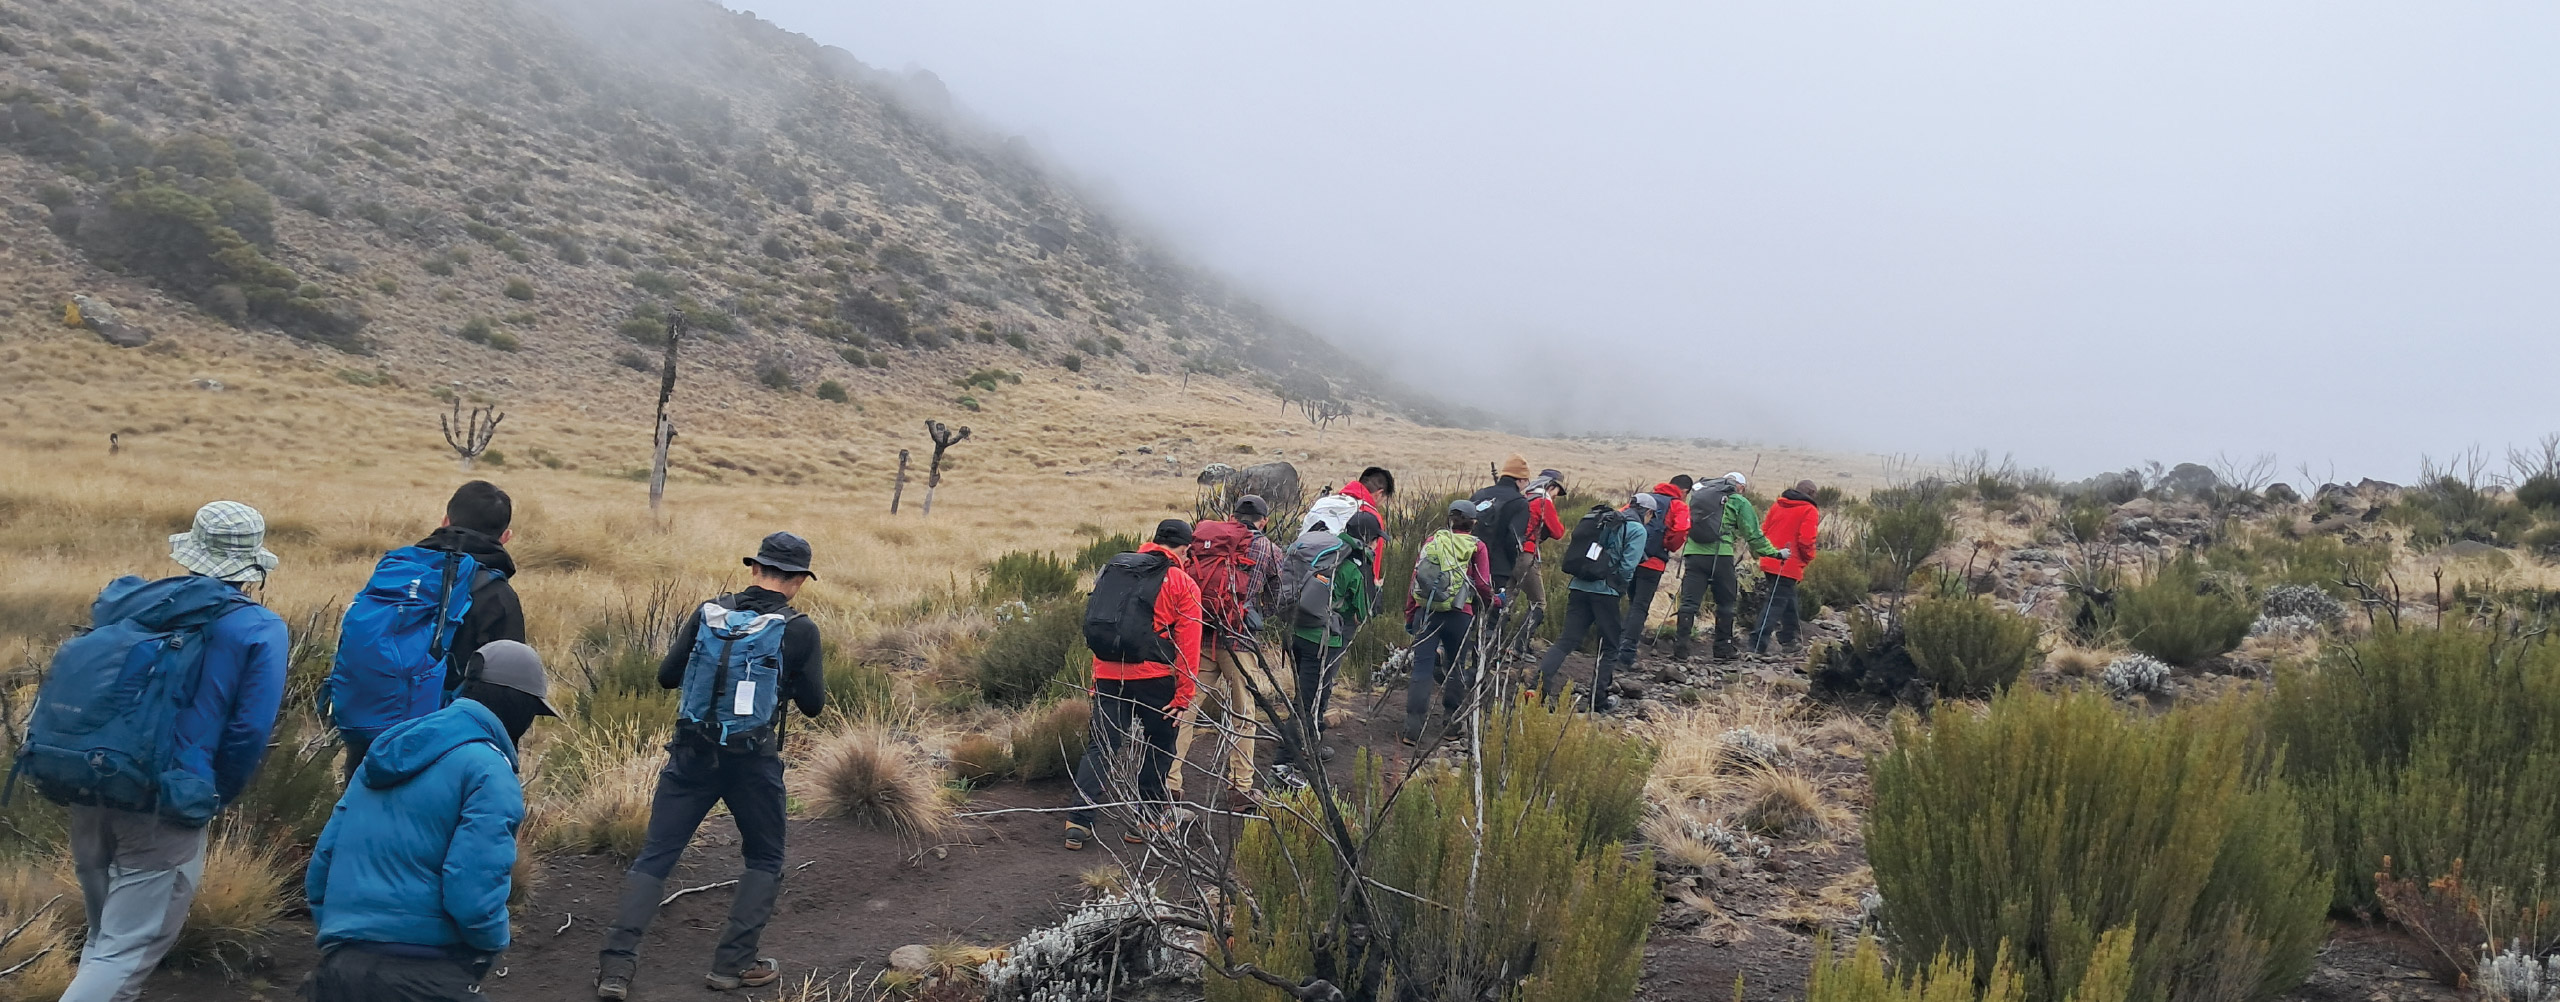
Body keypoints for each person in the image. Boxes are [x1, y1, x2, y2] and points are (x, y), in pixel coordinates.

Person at [60, 502, 288, 1002]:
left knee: (104, 942)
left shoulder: (138, 602)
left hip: (90, 779)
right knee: (124, 953)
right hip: (165, 800)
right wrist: (209, 794)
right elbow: (249, 731)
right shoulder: (257, 628)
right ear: (251, 565)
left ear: (191, 551)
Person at [596, 534, 826, 999]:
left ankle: (615, 971)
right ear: (799, 580)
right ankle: (731, 966)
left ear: (754, 569)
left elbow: (666, 676)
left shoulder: (710, 613)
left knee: (656, 856)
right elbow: (814, 705)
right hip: (752, 759)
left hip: (691, 753)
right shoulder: (799, 629)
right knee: (764, 857)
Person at [304, 640, 560, 1002]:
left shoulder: (388, 754)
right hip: (424, 971)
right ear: (519, 706)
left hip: (340, 968)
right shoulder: (488, 770)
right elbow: (471, 889)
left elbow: (322, 867)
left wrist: (342, 935)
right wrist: (492, 942)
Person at [331, 481, 527, 775]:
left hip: (370, 725)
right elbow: (510, 689)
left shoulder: (397, 569)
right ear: (505, 537)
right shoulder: (497, 595)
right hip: (442, 745)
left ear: (445, 521)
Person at [1067, 520, 1204, 848]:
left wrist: (1094, 681)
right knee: (1161, 743)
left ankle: (1078, 822)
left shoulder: (1114, 569)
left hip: (1107, 674)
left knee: (1102, 745)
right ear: (1185, 548)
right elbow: (1188, 645)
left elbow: (1098, 623)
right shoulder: (1181, 582)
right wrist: (1184, 695)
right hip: (1153, 678)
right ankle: (1149, 819)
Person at [1168, 497, 1281, 804]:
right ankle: (1240, 786)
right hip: (1239, 641)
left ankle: (1170, 780)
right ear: (1263, 521)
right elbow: (1282, 594)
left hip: (1199, 636)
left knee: (1186, 708)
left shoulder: (1205, 541)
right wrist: (1254, 613)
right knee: (1243, 713)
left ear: (1232, 517)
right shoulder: (1267, 549)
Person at [1270, 510, 1381, 784]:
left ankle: (1311, 744)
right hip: (1323, 642)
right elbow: (1361, 612)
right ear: (1369, 539)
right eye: (1377, 539)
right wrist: (1374, 589)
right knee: (1307, 703)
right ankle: (1282, 765)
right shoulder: (1354, 566)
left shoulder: (1328, 550)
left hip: (1296, 633)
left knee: (1307, 696)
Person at [1534, 498, 1646, 712]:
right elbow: (1628, 567)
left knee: (1566, 640)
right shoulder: (1636, 529)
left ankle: (1538, 690)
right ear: (1647, 513)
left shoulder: (1602, 520)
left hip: (1579, 587)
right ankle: (1598, 701)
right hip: (1605, 592)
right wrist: (1619, 587)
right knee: (1610, 646)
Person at [1402, 501, 1495, 746]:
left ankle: (1412, 729)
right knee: (1456, 667)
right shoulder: (1477, 546)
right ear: (1473, 523)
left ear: (1449, 519)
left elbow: (1416, 579)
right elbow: (1483, 585)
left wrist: (1411, 615)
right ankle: (1451, 725)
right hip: (1460, 615)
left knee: (1421, 668)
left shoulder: (1433, 541)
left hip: (1427, 611)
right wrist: (1492, 602)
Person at [1674, 473, 1785, 661]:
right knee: (1726, 602)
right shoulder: (1738, 501)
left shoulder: (1699, 497)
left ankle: (1680, 649)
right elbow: (1753, 535)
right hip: (1721, 556)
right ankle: (1722, 648)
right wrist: (1775, 553)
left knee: (1689, 603)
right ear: (1740, 487)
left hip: (1694, 554)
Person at [1607, 478, 1691, 681]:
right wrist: (1668, 545)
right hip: (1653, 564)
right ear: (1685, 490)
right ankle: (1626, 655)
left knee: (1623, 601)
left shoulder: (1643, 499)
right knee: (1640, 607)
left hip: (1629, 558)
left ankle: (1609, 647)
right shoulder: (1678, 505)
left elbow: (1619, 517)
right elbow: (1681, 529)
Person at [1467, 454, 1535, 655]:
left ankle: (1455, 660)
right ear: (1520, 480)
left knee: (1466, 611)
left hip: (1467, 563)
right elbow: (1513, 538)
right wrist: (1511, 563)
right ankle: (1481, 666)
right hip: (1497, 567)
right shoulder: (1520, 503)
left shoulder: (1480, 494)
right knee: (1491, 617)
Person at [1751, 481, 1824, 655]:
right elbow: (1806, 540)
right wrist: (1808, 558)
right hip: (1788, 563)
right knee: (1775, 603)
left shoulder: (1778, 505)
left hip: (1770, 559)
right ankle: (1756, 645)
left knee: (1789, 600)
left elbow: (1764, 530)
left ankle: (1790, 640)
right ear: (1812, 492)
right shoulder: (1809, 510)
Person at [1510, 470, 1569, 656]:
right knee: (1538, 603)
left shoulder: (1525, 497)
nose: (1556, 496)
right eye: (1557, 491)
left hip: (1509, 554)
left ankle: (1491, 644)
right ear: (1551, 486)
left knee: (1506, 601)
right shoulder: (1543, 502)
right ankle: (1520, 646)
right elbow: (1558, 532)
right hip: (1526, 555)